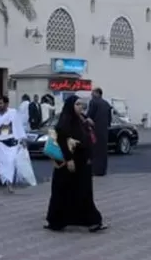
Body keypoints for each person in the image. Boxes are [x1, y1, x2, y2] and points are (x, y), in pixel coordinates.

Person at [45, 95, 106, 233]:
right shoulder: (65, 121)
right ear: (71, 106)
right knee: (64, 192)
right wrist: (69, 159)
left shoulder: (82, 120)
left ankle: (91, 221)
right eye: (77, 104)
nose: (80, 107)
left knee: (83, 192)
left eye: (81, 105)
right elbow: (62, 140)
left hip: (82, 163)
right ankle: (57, 221)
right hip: (69, 164)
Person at [86, 88, 112, 176]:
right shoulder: (107, 104)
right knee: (103, 151)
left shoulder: (93, 102)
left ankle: (95, 170)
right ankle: (102, 170)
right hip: (104, 131)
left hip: (95, 130)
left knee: (95, 151)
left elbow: (89, 116)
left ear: (97, 93)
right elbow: (109, 119)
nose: (91, 94)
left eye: (92, 93)